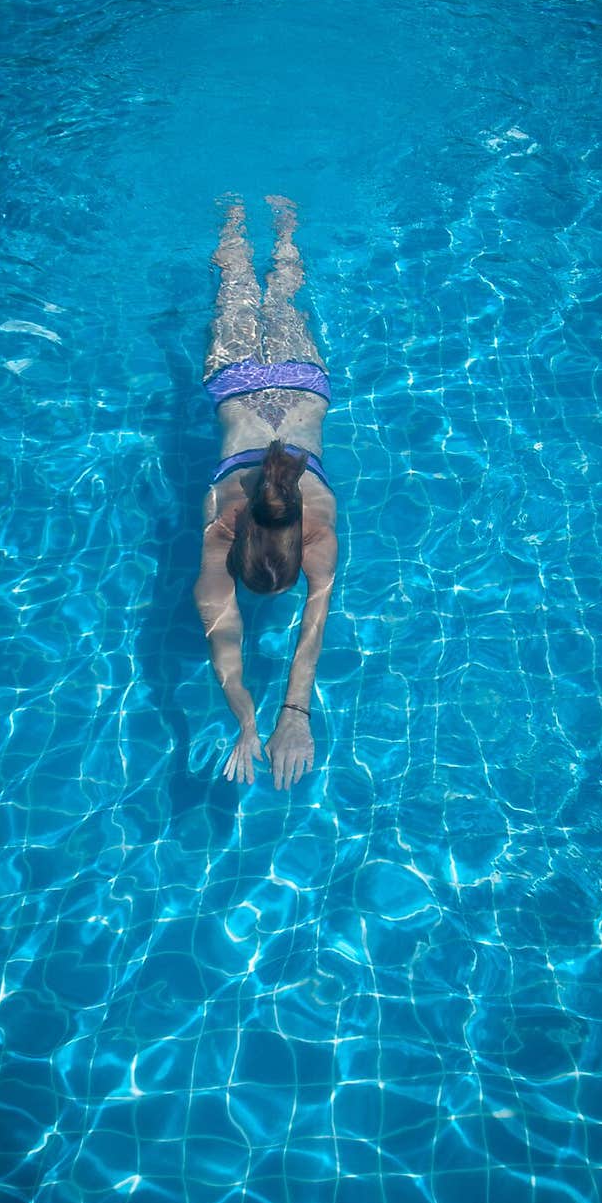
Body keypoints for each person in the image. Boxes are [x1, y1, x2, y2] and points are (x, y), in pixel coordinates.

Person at [193, 196, 338, 791]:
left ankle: (262, 221)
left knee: (276, 295)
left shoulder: (233, 524)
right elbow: (308, 625)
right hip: (237, 386)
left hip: (305, 386)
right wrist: (274, 717)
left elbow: (222, 629)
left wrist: (255, 720)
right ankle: (271, 222)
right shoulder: (223, 519)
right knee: (243, 284)